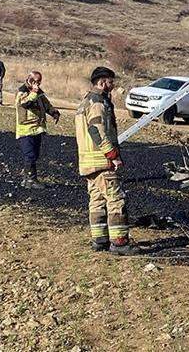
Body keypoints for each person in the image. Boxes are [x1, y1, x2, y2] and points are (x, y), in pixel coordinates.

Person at [75, 66, 141, 256]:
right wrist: (113, 155)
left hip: (88, 162)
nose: (113, 85)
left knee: (96, 201)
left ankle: (100, 239)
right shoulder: (97, 103)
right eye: (111, 81)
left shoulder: (85, 102)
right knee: (116, 200)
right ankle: (119, 242)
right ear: (103, 82)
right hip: (103, 162)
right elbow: (96, 130)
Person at [15, 70, 60, 189]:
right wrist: (34, 91)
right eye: (35, 81)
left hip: (37, 128)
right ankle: (30, 179)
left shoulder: (39, 92)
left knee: (35, 154)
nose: (37, 83)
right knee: (29, 154)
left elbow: (46, 104)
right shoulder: (22, 92)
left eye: (39, 81)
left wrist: (54, 113)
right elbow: (26, 104)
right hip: (26, 128)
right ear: (29, 78)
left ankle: (27, 178)